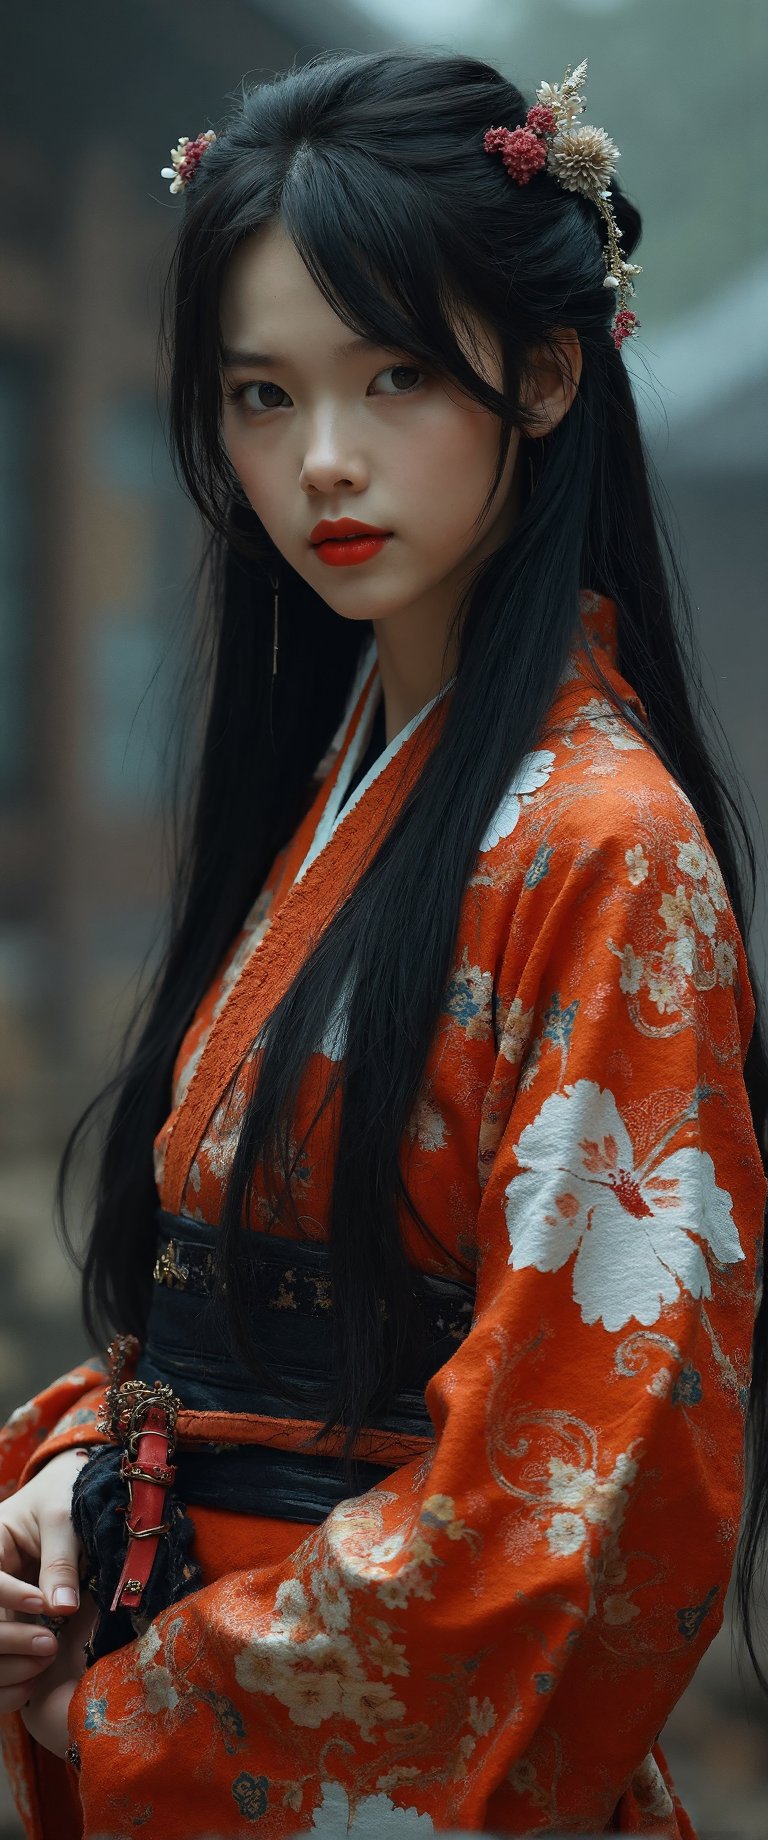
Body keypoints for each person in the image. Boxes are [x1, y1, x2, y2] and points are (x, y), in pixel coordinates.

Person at [0, 44, 766, 1840]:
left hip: (361, 1743)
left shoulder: (607, 855)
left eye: (395, 374)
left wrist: (152, 1699)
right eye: (261, 396)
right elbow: (244, 1316)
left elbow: (583, 1491)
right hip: (169, 1637)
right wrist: (69, 1492)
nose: (320, 459)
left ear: (551, 371)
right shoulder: (349, 779)